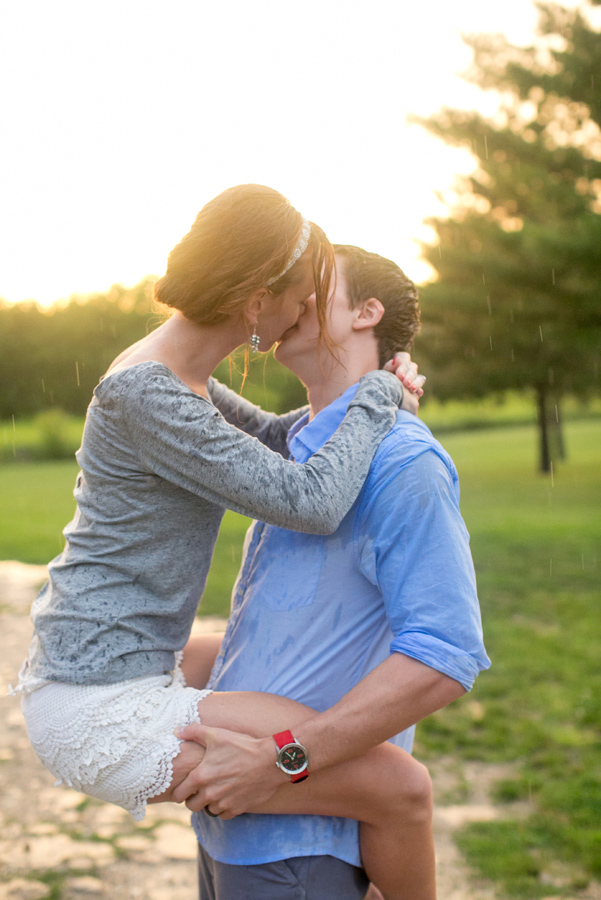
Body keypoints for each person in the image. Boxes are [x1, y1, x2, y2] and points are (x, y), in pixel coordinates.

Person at [14, 185, 430, 900]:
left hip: (121, 670)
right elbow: (309, 500)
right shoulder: (149, 392)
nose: (307, 309)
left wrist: (361, 389)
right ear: (257, 298)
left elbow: (275, 440)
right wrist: (376, 397)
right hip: (98, 699)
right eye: (303, 293)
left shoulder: (180, 379)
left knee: (383, 778)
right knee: (391, 783)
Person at [173, 245, 491, 900]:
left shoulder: (402, 463)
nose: (289, 296)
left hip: (300, 847)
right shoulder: (297, 460)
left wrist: (283, 761)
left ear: (366, 312)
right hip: (228, 828)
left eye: (312, 285)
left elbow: (442, 655)